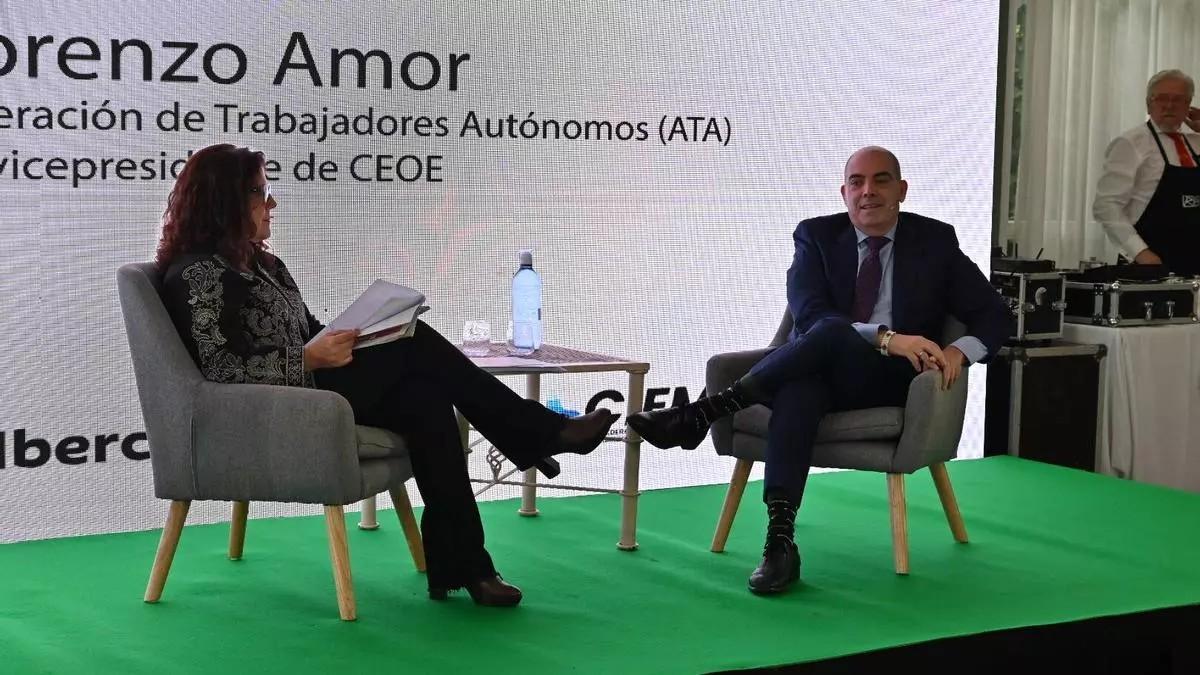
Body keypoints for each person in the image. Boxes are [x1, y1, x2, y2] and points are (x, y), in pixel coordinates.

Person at [157, 143, 619, 608]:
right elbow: (219, 370)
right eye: (260, 191)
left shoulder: (262, 262)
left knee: (425, 398)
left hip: (320, 391)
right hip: (283, 406)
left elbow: (308, 331)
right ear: (224, 201)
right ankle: (541, 431)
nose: (272, 203)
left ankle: (468, 567)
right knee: (417, 345)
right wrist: (309, 359)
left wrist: (355, 335)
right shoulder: (194, 276)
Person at [628, 147, 1010, 595]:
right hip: (821, 366)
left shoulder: (934, 242)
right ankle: (779, 543)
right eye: (857, 182)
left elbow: (996, 317)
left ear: (901, 190)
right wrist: (888, 334)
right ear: (844, 192)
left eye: (881, 180)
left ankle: (704, 412)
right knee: (803, 384)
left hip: (893, 380)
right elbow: (808, 316)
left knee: (825, 338)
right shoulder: (816, 236)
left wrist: (957, 352)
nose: (868, 191)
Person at [1093, 69, 1200, 276]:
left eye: (1178, 100)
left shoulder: (1196, 142)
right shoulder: (1131, 143)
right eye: (1161, 98)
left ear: (1188, 105)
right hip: (1151, 266)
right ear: (1148, 103)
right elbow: (1106, 206)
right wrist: (1141, 253)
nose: (1169, 105)